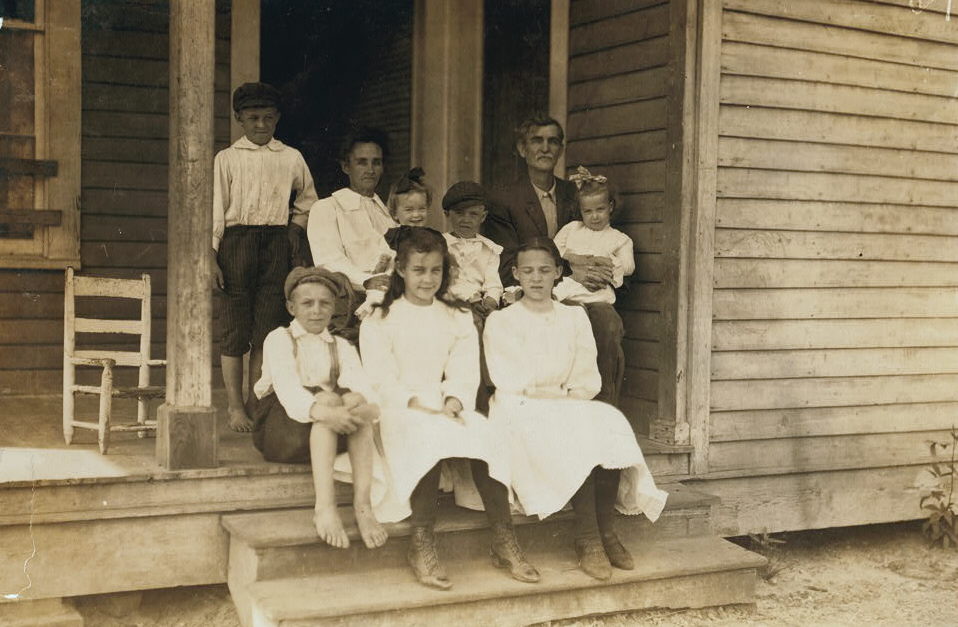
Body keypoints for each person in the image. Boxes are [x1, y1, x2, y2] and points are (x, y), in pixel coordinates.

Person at [359, 227, 538, 590]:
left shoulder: (455, 314)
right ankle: (421, 540)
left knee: (485, 434)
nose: (427, 279)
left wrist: (455, 399)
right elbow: (380, 378)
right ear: (402, 271)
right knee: (429, 435)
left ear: (445, 272)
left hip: (444, 401)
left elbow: (463, 369)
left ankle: (504, 539)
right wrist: (417, 405)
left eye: (435, 270)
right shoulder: (381, 316)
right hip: (398, 405)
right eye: (418, 270)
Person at [483, 238, 668, 581]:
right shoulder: (502, 321)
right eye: (528, 271)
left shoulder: (574, 317)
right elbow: (507, 377)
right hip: (519, 406)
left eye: (544, 270)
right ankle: (588, 538)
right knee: (573, 428)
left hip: (563, 398)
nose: (536, 279)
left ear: (557, 273)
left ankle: (606, 530)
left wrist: (570, 395)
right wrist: (551, 395)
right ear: (515, 274)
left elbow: (586, 376)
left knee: (608, 421)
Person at [483, 114, 625, 407]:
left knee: (607, 320)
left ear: (561, 148)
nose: (545, 148)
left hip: (581, 290)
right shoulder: (503, 198)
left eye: (553, 141)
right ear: (523, 149)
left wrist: (600, 267)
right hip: (531, 290)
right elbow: (508, 258)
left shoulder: (576, 194)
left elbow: (597, 236)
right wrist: (571, 270)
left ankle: (602, 410)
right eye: (537, 141)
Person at [252, 267, 388, 550]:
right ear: (291, 307)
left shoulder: (340, 345)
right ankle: (324, 507)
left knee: (354, 400)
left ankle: (363, 506)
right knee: (327, 400)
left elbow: (363, 385)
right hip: (282, 429)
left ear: (334, 306)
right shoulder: (279, 339)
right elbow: (289, 393)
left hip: (326, 427)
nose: (316, 311)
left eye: (325, 303)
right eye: (307, 303)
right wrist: (330, 410)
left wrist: (364, 408)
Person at [212, 82, 319, 432]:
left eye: (268, 118)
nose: (261, 125)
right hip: (236, 243)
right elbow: (215, 212)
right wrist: (211, 258)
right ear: (239, 119)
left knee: (266, 328)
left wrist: (294, 228)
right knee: (234, 328)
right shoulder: (227, 159)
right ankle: (233, 407)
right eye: (253, 118)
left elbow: (307, 199)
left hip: (275, 244)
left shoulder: (290, 157)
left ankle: (254, 401)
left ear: (277, 120)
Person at [307, 127, 397, 338]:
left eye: (376, 162)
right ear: (346, 166)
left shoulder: (388, 215)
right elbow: (328, 260)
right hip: (349, 301)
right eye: (362, 162)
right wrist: (365, 280)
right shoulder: (327, 208)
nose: (370, 169)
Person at [553, 166, 634, 305]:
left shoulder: (620, 239)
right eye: (588, 211)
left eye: (600, 209)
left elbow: (628, 266)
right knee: (557, 298)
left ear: (611, 207)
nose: (595, 216)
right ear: (581, 211)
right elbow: (553, 249)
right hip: (571, 284)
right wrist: (573, 257)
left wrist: (608, 263)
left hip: (597, 291)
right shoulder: (572, 228)